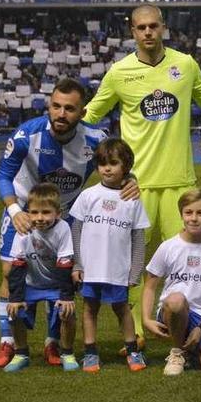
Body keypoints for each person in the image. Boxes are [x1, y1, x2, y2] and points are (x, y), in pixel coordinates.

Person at [83, 4, 201, 342]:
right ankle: (136, 334)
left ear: (164, 27)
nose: (148, 32)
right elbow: (89, 116)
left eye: (153, 26)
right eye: (141, 27)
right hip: (135, 188)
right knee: (130, 264)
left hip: (180, 185)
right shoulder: (119, 72)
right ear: (132, 31)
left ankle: (189, 328)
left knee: (189, 262)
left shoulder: (185, 65)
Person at [0, 78, 114, 368]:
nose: (61, 114)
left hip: (66, 217)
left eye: (69, 109)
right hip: (23, 211)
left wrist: (131, 183)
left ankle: (52, 342)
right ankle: (7, 341)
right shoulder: (27, 134)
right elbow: (3, 175)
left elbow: (118, 166)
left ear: (82, 112)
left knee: (58, 275)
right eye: (56, 106)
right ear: (49, 105)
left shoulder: (96, 140)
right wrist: (14, 212)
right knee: (10, 271)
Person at [69, 139, 149, 373]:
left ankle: (133, 350)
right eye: (102, 163)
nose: (107, 168)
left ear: (126, 166)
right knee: (89, 308)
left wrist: (135, 271)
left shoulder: (132, 199)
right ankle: (91, 353)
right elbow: (76, 230)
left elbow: (138, 237)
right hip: (90, 268)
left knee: (121, 308)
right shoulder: (88, 195)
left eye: (113, 163)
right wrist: (77, 263)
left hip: (118, 268)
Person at [141, 189, 201, 376]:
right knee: (176, 300)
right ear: (181, 214)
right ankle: (177, 352)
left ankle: (193, 351)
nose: (194, 218)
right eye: (188, 213)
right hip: (172, 311)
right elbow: (149, 286)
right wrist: (146, 319)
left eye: (200, 213)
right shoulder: (169, 247)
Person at [3, 183, 77, 372]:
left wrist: (66, 297)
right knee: (13, 311)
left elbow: (65, 264)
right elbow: (17, 266)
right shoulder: (23, 230)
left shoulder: (63, 230)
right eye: (34, 212)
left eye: (46, 212)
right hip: (31, 285)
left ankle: (67, 353)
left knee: (68, 312)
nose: (40, 218)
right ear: (28, 212)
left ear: (58, 213)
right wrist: (16, 298)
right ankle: (21, 353)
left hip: (55, 285)